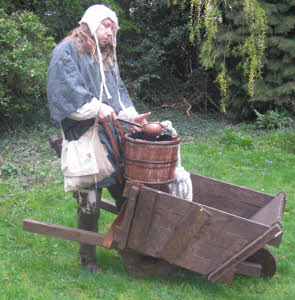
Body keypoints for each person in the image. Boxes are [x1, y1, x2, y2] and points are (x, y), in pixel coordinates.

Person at [47, 4, 151, 273]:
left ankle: (135, 249)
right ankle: (88, 259)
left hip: (112, 139)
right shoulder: (67, 51)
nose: (110, 33)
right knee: (89, 202)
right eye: (106, 26)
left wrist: (131, 115)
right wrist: (96, 108)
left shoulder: (106, 56)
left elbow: (117, 93)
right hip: (86, 138)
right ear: (91, 23)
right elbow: (66, 94)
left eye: (113, 28)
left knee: (126, 195)